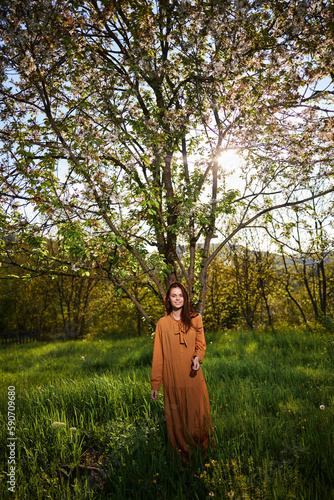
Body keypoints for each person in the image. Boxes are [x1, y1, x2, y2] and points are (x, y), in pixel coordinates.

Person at [151, 281, 213, 462]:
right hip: (172, 378)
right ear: (168, 300)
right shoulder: (162, 324)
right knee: (177, 420)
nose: (177, 298)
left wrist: (197, 358)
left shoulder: (195, 319)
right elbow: (158, 355)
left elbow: (200, 344)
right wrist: (156, 383)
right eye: (173, 295)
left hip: (192, 375)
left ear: (185, 298)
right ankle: (181, 459)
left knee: (196, 417)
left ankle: (202, 455)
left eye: (180, 295)